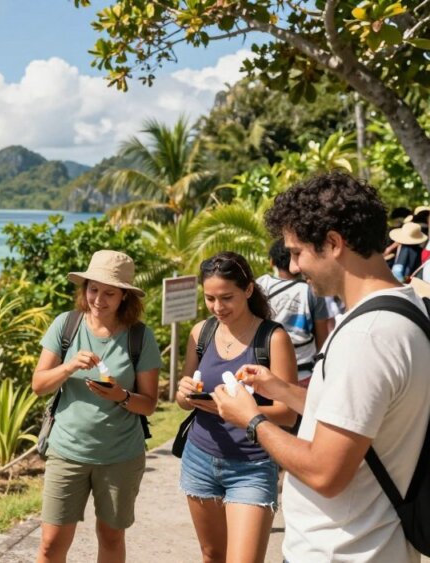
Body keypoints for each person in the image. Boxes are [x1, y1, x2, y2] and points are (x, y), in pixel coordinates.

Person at [213, 172, 430, 561]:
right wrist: (281, 390)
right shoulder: (408, 309)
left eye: (297, 252)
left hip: (342, 550)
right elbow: (361, 416)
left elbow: (326, 473)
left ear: (333, 243)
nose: (294, 267)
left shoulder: (368, 336)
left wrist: (251, 419)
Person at [31, 249, 162, 563]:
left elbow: (149, 405)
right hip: (67, 451)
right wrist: (69, 367)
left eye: (109, 293)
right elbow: (39, 385)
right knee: (50, 544)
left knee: (111, 538)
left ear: (124, 297)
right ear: (84, 289)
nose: (99, 299)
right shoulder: (66, 326)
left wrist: (121, 396)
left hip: (120, 456)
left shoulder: (140, 337)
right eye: (93, 289)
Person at [174, 251, 297, 563]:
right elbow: (181, 399)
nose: (218, 307)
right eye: (210, 298)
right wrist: (184, 392)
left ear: (248, 290)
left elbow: (288, 412)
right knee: (212, 555)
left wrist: (240, 414)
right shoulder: (201, 332)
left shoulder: (273, 338)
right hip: (199, 458)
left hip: (252, 465)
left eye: (226, 297)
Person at [255, 239, 330, 386]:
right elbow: (322, 336)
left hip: (266, 368)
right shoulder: (311, 290)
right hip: (302, 371)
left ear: (272, 262)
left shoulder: (260, 285)